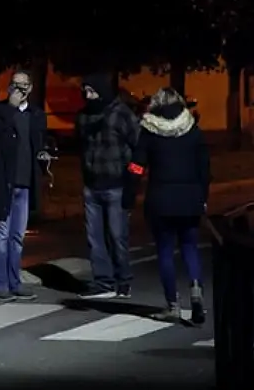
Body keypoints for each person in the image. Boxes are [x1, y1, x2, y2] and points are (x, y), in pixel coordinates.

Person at [125, 87, 209, 323]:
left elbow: (137, 166)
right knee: (190, 247)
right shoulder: (193, 130)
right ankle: (195, 289)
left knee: (164, 251)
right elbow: (204, 168)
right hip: (190, 198)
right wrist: (202, 197)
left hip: (160, 198)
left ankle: (172, 304)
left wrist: (129, 195)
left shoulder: (149, 131)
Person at [0, 70, 47, 301]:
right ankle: (0, 285)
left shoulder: (36, 114)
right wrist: (10, 107)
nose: (20, 89)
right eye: (16, 85)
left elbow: (39, 142)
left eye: (24, 85)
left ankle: (14, 282)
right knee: (1, 235)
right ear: (9, 87)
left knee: (17, 237)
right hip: (3, 183)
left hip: (25, 184)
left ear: (31, 87)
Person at [74, 73, 139, 299]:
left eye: (92, 91)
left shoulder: (121, 114)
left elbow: (137, 144)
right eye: (86, 92)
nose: (88, 96)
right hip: (91, 185)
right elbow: (80, 145)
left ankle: (124, 280)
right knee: (94, 237)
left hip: (116, 185)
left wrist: (133, 177)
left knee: (116, 235)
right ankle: (103, 281)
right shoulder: (83, 116)